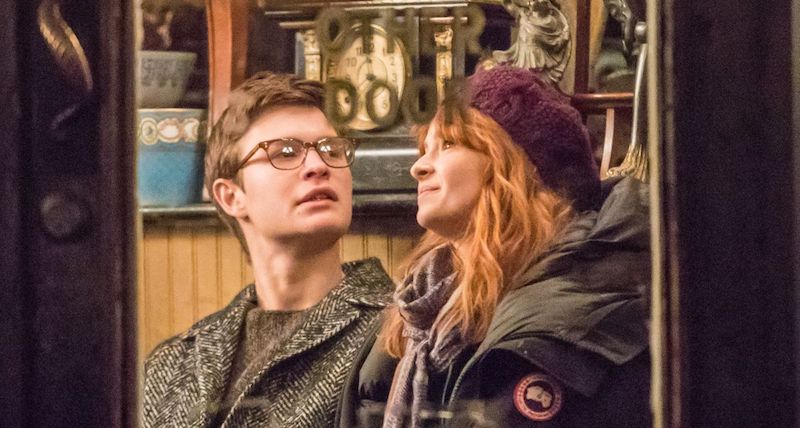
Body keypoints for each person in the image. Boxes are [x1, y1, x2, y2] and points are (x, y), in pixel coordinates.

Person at [337, 65, 651, 427]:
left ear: (515, 165)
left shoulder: (565, 307)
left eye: (448, 145)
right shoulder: (417, 310)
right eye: (425, 149)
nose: (419, 167)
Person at [142, 72, 395, 427]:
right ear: (231, 196)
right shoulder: (171, 367)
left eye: (331, 149)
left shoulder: (399, 336)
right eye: (286, 152)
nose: (318, 166)